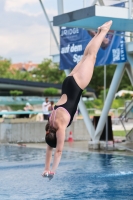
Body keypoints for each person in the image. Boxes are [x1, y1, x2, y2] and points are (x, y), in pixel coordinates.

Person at [42, 20, 113, 179]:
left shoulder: (60, 126)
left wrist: (53, 171)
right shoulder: (50, 122)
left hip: (77, 85)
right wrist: (46, 168)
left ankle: (102, 32)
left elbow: (58, 151)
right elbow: (49, 148)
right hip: (67, 83)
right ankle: (99, 34)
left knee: (92, 56)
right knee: (86, 57)